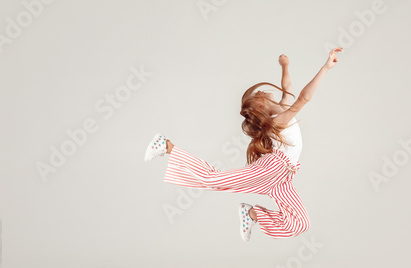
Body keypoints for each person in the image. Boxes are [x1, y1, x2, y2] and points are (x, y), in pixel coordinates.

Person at [145, 48, 343, 242]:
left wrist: (285, 66)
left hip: (284, 176)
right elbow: (303, 98)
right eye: (258, 94)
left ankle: (252, 214)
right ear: (260, 106)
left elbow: (288, 88)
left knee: (300, 223)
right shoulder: (278, 122)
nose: (262, 91)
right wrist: (325, 68)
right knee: (214, 179)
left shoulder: (280, 110)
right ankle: (167, 145)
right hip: (272, 168)